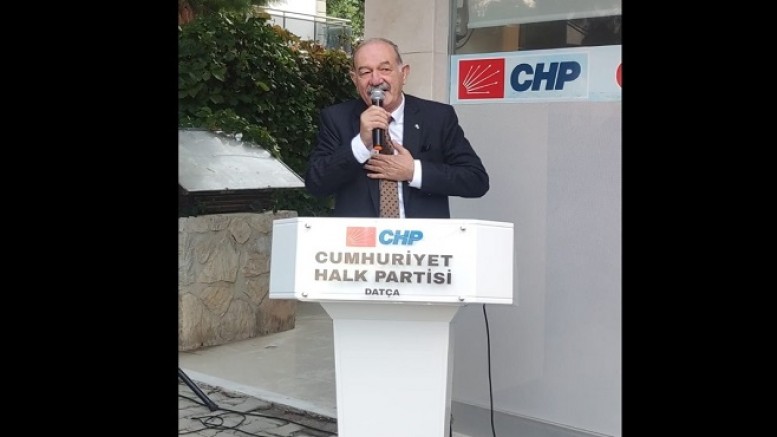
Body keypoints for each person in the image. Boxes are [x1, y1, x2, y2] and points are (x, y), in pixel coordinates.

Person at [304, 37, 489, 218]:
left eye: (385, 69)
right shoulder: (337, 119)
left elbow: (476, 180)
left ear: (404, 73)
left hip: (423, 237)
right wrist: (360, 143)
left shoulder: (437, 117)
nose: (376, 80)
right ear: (355, 80)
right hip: (361, 237)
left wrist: (414, 171)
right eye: (365, 72)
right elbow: (315, 183)